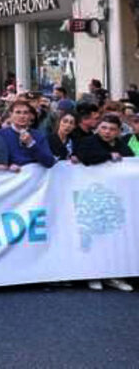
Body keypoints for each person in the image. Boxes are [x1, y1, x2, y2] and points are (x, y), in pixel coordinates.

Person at [76, 114, 134, 293]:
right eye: (104, 128)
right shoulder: (88, 141)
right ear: (97, 128)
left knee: (114, 237)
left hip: (114, 199)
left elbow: (130, 160)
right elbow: (85, 157)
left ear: (118, 132)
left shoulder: (121, 145)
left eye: (112, 129)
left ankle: (114, 275)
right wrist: (108, 155)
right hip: (90, 196)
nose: (107, 132)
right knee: (93, 236)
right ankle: (93, 274)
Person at [0, 101, 56, 170]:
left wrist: (31, 144)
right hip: (10, 178)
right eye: (18, 112)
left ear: (30, 116)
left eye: (25, 113)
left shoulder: (38, 135)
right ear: (11, 115)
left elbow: (49, 162)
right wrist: (8, 165)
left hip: (34, 178)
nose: (22, 116)